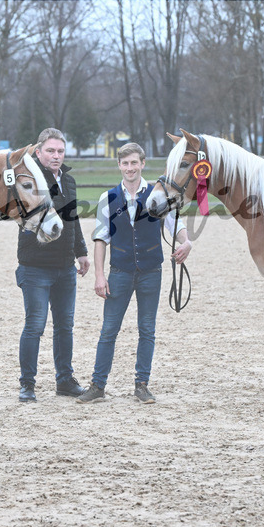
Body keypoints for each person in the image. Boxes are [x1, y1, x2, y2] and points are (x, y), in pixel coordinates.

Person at [77, 142, 191, 405]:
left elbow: (176, 224)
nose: (130, 168)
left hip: (151, 270)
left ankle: (142, 385)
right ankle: (98, 385)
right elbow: (100, 238)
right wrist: (99, 275)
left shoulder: (156, 194)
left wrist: (187, 242)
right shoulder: (109, 197)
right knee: (109, 330)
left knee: (147, 330)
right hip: (120, 272)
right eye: (125, 163)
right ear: (119, 165)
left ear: (142, 164)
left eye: (134, 163)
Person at [16, 128, 90, 402]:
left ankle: (64, 380)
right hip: (35, 266)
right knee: (35, 325)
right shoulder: (30, 182)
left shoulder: (68, 181)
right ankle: (27, 384)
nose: (56, 156)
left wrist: (81, 252)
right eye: (50, 151)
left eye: (60, 151)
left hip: (65, 266)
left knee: (64, 326)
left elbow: (73, 220)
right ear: (38, 152)